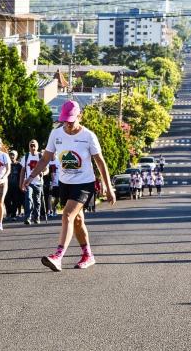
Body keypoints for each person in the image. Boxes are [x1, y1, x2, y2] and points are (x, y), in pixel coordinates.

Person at [24, 100, 115, 271]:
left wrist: (108, 187)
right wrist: (31, 177)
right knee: (78, 220)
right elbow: (45, 158)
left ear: (80, 116)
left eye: (71, 120)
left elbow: (100, 163)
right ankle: (88, 255)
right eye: (65, 120)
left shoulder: (88, 136)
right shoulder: (56, 134)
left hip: (84, 184)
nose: (68, 124)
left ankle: (58, 256)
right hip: (65, 183)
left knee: (66, 215)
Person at [21, 140, 44, 225]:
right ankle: (27, 217)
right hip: (28, 182)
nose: (33, 147)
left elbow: (47, 169)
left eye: (34, 146)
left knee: (37, 201)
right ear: (29, 147)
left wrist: (43, 173)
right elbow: (22, 171)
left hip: (38, 182)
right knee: (28, 198)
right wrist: (21, 184)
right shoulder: (26, 157)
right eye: (31, 146)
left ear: (37, 146)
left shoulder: (41, 156)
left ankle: (36, 217)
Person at [5, 151, 24, 221]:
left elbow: (22, 175)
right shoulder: (6, 164)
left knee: (15, 200)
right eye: (10, 155)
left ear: (16, 156)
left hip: (16, 186)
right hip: (7, 185)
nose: (11, 156)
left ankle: (13, 215)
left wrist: (21, 184)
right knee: (6, 200)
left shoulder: (19, 165)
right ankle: (8, 213)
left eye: (13, 155)